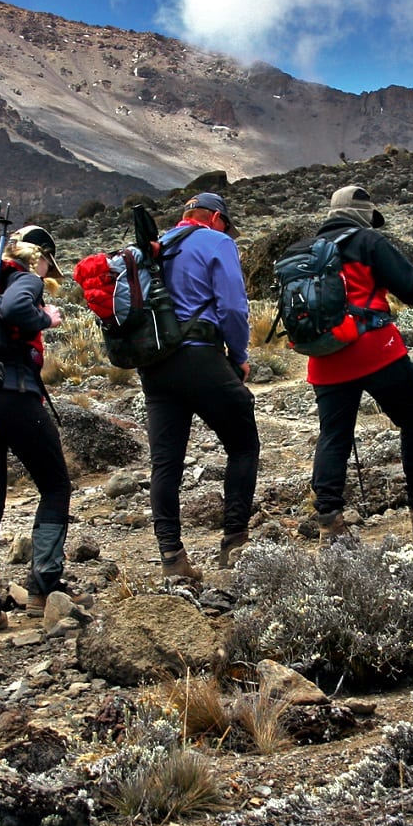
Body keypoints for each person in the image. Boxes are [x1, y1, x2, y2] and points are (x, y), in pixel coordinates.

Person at [307, 185, 413, 541]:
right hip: (375, 348)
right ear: (363, 215)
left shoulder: (307, 250)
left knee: (334, 436)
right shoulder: (368, 242)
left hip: (325, 356)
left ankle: (330, 522)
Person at [0, 224, 75, 635]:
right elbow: (15, 311)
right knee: (55, 485)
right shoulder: (25, 278)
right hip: (15, 394)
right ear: (38, 256)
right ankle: (44, 587)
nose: (48, 273)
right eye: (48, 264)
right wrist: (47, 316)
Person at [139, 192, 259, 579]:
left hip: (155, 365)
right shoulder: (217, 242)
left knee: (165, 462)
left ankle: (172, 558)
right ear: (217, 219)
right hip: (200, 357)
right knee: (242, 444)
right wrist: (239, 354)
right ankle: (234, 544)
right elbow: (234, 308)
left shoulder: (154, 249)